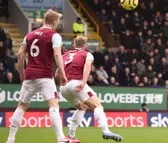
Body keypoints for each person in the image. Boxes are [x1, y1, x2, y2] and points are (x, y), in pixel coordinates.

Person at [6, 9, 72, 143]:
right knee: (53, 104)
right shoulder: (54, 35)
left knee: (22, 106)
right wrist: (63, 74)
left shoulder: (29, 35)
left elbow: (20, 55)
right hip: (45, 76)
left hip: (30, 75)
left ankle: (10, 139)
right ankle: (60, 138)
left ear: (44, 20)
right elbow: (57, 55)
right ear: (54, 22)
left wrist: (21, 73)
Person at [57, 36, 123, 142]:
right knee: (97, 105)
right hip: (76, 83)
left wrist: (64, 80)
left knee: (82, 107)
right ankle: (105, 130)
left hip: (63, 87)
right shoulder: (87, 54)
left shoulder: (65, 55)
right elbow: (87, 66)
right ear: (85, 45)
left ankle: (70, 135)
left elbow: (57, 73)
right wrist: (83, 82)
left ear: (74, 44)